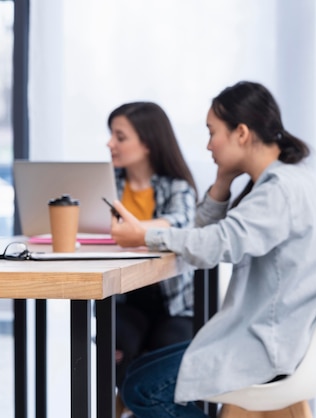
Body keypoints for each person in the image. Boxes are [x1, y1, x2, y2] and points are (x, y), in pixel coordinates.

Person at [109, 81, 316, 417]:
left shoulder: (279, 190)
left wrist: (146, 237)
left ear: (242, 133)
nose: (208, 145)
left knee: (140, 388)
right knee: (137, 375)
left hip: (265, 345)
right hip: (272, 336)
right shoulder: (288, 179)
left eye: (212, 132)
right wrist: (221, 183)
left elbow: (214, 245)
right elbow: (203, 235)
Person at [107, 101, 198, 417]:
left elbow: (183, 222)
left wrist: (137, 232)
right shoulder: (108, 185)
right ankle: (130, 408)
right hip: (127, 301)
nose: (110, 144)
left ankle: (143, 407)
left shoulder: (177, 187)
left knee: (165, 354)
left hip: (174, 305)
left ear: (147, 142)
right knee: (115, 339)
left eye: (120, 137)